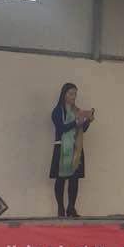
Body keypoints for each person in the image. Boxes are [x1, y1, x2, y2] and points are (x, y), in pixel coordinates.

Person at [49, 83, 95, 218]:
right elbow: (61, 128)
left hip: (76, 148)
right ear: (64, 95)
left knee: (74, 179)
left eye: (75, 94)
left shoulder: (77, 111)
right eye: (71, 94)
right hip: (62, 147)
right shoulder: (57, 111)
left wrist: (88, 120)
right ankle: (60, 207)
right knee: (60, 179)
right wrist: (76, 122)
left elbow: (82, 129)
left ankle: (71, 208)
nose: (73, 97)